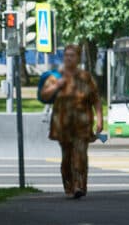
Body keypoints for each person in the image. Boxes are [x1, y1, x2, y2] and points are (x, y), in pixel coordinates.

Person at [40, 43, 103, 199]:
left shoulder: (86, 77)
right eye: (66, 55)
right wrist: (56, 87)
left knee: (80, 155)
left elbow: (96, 99)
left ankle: (79, 186)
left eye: (72, 55)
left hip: (82, 124)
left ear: (78, 58)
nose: (68, 58)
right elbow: (44, 95)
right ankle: (69, 186)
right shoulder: (56, 76)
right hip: (63, 125)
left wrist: (100, 120)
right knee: (66, 158)